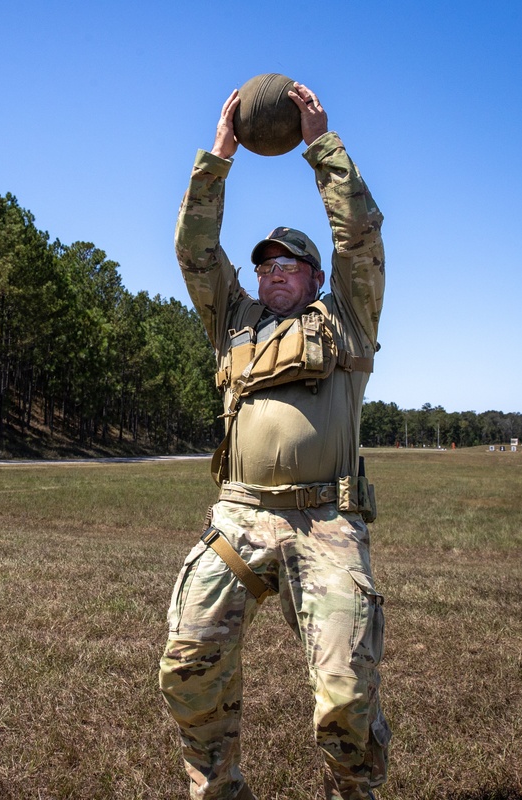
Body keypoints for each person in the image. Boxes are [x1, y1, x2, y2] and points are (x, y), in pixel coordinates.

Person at [158, 82, 390, 800]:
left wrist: (323, 146)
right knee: (187, 664)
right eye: (266, 263)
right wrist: (218, 157)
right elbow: (194, 249)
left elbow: (360, 235)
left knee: (346, 697)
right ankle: (217, 790)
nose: (275, 271)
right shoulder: (233, 317)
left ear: (316, 277)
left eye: (289, 263)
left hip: (326, 521)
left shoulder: (349, 317)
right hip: (239, 516)